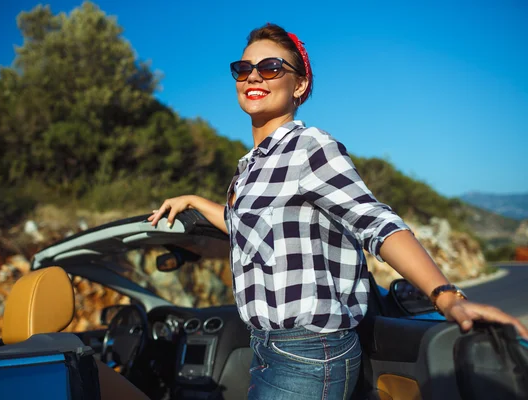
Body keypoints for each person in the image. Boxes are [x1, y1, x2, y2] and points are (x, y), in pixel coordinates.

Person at [149, 23, 528, 400]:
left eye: (271, 68)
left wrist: (447, 297)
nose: (253, 77)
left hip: (310, 353)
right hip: (265, 348)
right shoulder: (249, 169)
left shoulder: (309, 147)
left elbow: (375, 222)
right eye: (243, 69)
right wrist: (196, 202)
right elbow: (243, 230)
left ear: (299, 86)